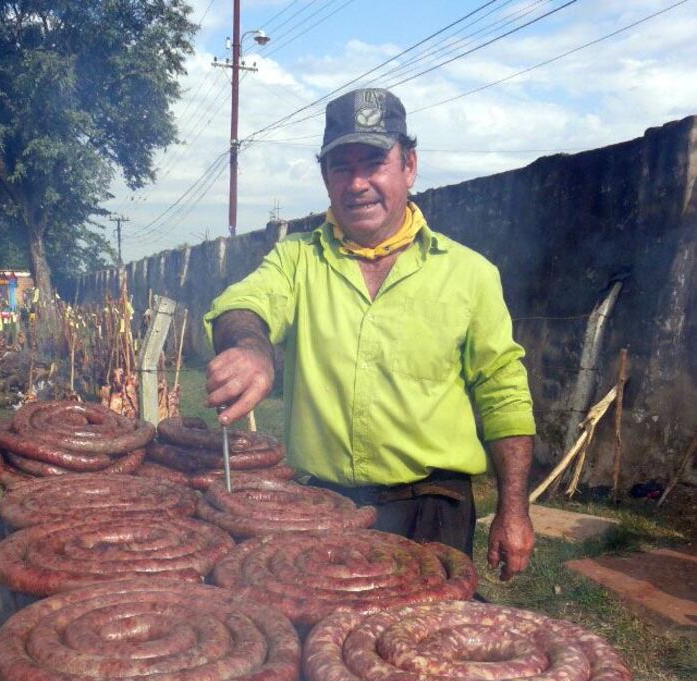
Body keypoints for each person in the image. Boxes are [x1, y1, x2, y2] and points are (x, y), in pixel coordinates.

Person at [204, 87, 536, 579]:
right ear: (325, 178)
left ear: (409, 166)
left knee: (425, 650)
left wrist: (513, 510)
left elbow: (503, 394)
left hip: (434, 509)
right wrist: (252, 346)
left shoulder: (470, 274)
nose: (358, 183)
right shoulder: (297, 259)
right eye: (342, 167)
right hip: (319, 505)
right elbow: (240, 304)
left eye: (374, 162)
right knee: (324, 647)